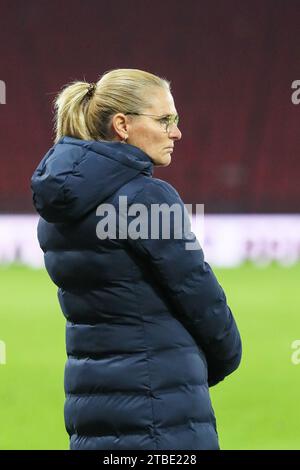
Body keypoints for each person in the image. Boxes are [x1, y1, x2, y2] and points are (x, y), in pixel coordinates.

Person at [31, 68, 242, 450]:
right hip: (161, 410)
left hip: (90, 409)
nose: (176, 132)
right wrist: (222, 358)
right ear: (123, 125)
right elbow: (202, 299)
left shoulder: (58, 209)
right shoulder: (146, 197)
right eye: (165, 120)